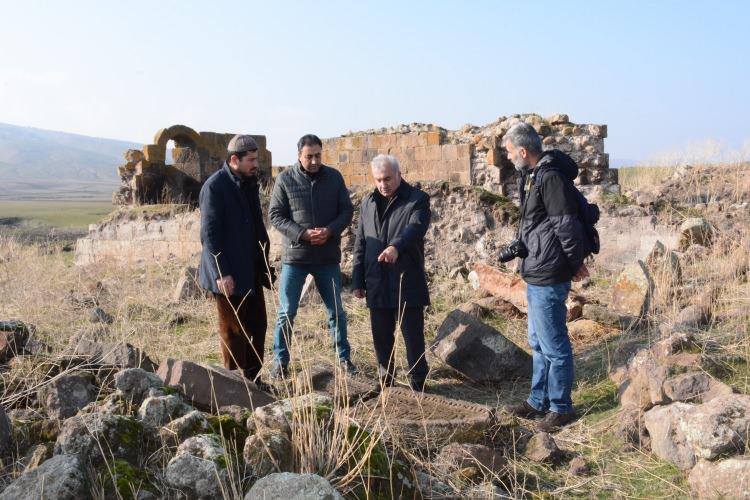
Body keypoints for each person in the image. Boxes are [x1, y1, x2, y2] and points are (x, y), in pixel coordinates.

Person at [501, 122, 590, 432]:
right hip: (538, 270)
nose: (509, 157)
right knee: (538, 342)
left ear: (524, 151)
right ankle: (538, 401)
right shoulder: (535, 176)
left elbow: (565, 225)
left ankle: (561, 407)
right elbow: (539, 226)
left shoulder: (550, 178)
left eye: (510, 152)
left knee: (554, 345)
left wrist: (574, 261)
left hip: (550, 273)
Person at [268, 134, 355, 378]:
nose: (315, 161)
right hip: (296, 257)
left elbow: (346, 210)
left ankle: (344, 359)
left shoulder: (334, 177)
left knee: (336, 311)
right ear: (299, 156)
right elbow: (275, 214)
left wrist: (330, 231)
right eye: (309, 156)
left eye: (318, 155)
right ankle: (280, 362)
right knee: (286, 311)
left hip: (327, 256)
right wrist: (302, 234)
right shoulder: (285, 179)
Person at [198, 134, 274, 390]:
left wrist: (264, 264)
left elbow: (255, 226)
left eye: (256, 159)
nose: (256, 164)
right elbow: (210, 234)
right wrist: (222, 273)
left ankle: (254, 382)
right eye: (251, 160)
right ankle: (234, 387)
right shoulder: (215, 187)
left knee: (258, 326)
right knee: (233, 332)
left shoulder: (248, 182)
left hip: (251, 269)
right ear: (234, 160)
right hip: (228, 274)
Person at [352, 154, 430, 391]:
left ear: (399, 174)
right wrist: (357, 279)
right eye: (378, 180)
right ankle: (386, 384)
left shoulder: (417, 199)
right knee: (382, 339)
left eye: (387, 178)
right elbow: (360, 242)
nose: (383, 185)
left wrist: (396, 246)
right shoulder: (368, 203)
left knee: (412, 338)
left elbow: (415, 228)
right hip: (377, 280)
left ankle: (419, 385)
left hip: (406, 280)